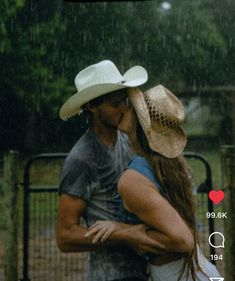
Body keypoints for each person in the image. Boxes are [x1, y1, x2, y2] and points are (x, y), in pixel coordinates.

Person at [85, 85, 222, 281]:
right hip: (196, 271)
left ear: (140, 121)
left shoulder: (132, 179)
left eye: (131, 105)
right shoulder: (168, 164)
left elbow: (184, 240)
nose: (124, 107)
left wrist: (124, 230)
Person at [56, 60, 167, 281]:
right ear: (91, 106)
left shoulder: (127, 140)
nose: (124, 108)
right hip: (112, 275)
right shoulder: (82, 159)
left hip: (146, 271)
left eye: (125, 101)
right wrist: (126, 234)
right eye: (116, 103)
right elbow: (65, 236)